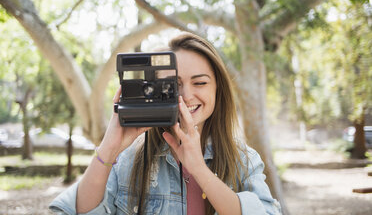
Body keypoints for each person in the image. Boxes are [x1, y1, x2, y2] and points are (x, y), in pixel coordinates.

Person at [49, 33, 281, 215]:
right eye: (173, 85)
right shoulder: (128, 160)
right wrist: (109, 147)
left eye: (200, 82)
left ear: (217, 90)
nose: (187, 95)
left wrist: (199, 168)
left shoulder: (243, 160)